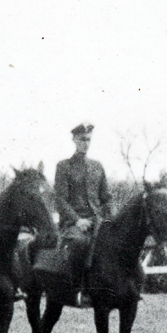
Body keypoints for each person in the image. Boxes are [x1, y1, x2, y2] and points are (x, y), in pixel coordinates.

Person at [53, 122, 112, 307]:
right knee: (79, 242)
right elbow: (61, 200)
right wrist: (77, 220)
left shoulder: (97, 166)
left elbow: (106, 198)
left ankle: (115, 288)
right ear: (74, 140)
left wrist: (110, 218)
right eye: (82, 139)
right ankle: (78, 289)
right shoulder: (64, 166)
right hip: (74, 224)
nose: (85, 143)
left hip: (97, 221)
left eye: (88, 140)